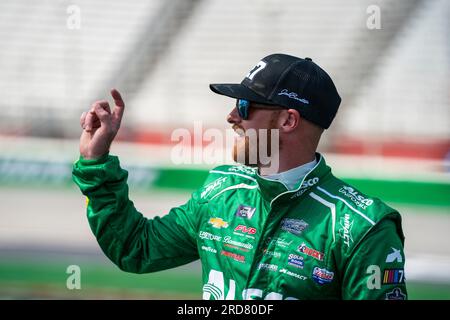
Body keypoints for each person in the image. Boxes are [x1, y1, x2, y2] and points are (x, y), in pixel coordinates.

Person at [72, 53, 407, 300]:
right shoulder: (221, 190)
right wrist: (95, 162)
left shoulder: (363, 227)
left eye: (245, 106)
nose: (231, 116)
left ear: (287, 121)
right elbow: (136, 248)